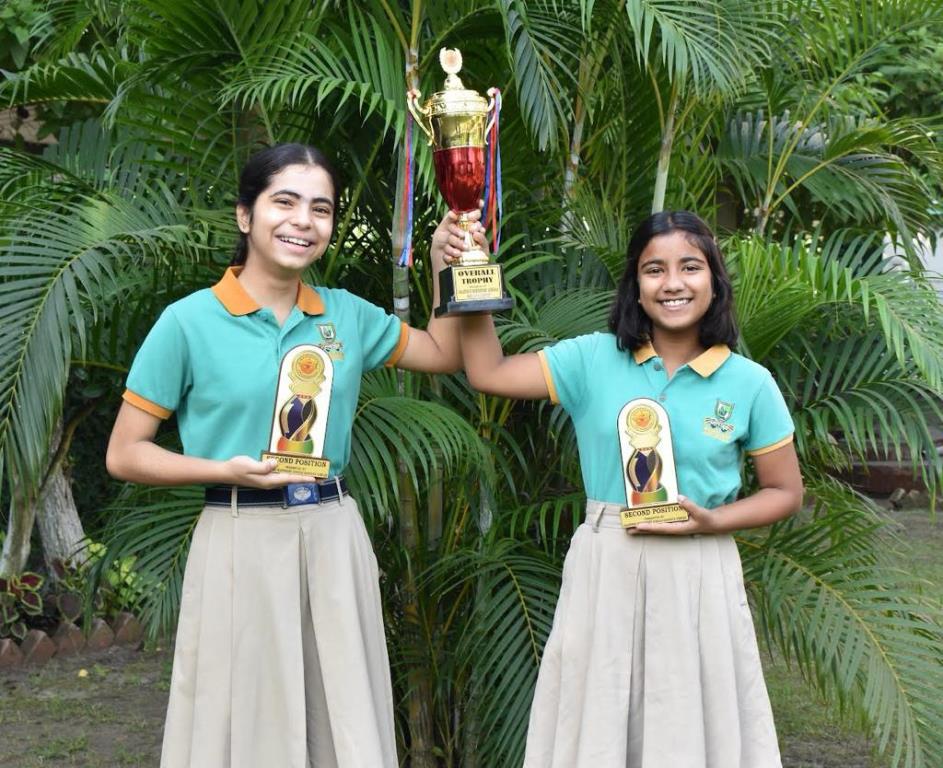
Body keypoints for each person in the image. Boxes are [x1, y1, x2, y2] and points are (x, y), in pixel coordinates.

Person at [106, 143, 477, 768]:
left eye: (321, 208)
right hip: (237, 536)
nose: (303, 221)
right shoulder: (188, 322)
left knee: (342, 720)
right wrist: (221, 470)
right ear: (245, 216)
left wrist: (444, 267)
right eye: (285, 202)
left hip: (332, 532)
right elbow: (125, 453)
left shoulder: (348, 315)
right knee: (241, 720)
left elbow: (443, 354)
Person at [459, 210, 803, 768]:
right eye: (654, 270)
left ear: (714, 280)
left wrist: (714, 521)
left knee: (691, 724)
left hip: (700, 564)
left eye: (690, 267)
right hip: (606, 559)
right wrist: (460, 273)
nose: (672, 283)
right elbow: (488, 372)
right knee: (598, 722)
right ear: (635, 287)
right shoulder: (592, 358)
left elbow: (785, 491)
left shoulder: (749, 382)